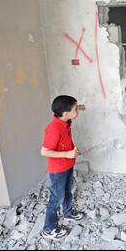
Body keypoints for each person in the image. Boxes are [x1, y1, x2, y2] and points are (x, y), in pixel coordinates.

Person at [40, 95, 85, 240]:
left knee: (67, 190)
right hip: (58, 171)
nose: (76, 111)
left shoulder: (65, 120)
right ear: (65, 113)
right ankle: (49, 229)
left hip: (67, 165)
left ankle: (68, 212)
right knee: (56, 198)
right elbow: (44, 151)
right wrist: (68, 153)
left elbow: (71, 113)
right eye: (75, 109)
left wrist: (79, 107)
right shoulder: (54, 129)